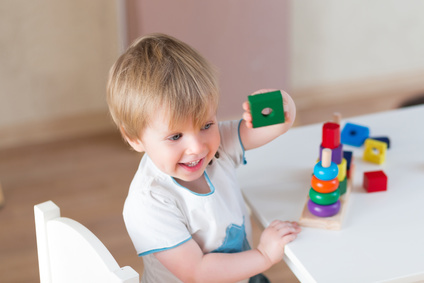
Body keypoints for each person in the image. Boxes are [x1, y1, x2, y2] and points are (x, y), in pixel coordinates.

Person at [107, 33, 301, 283]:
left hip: (240, 274)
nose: (197, 147)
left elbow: (260, 131)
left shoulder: (218, 146)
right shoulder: (149, 203)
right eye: (176, 136)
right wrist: (264, 255)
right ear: (134, 138)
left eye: (206, 124)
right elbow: (197, 272)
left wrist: (285, 110)